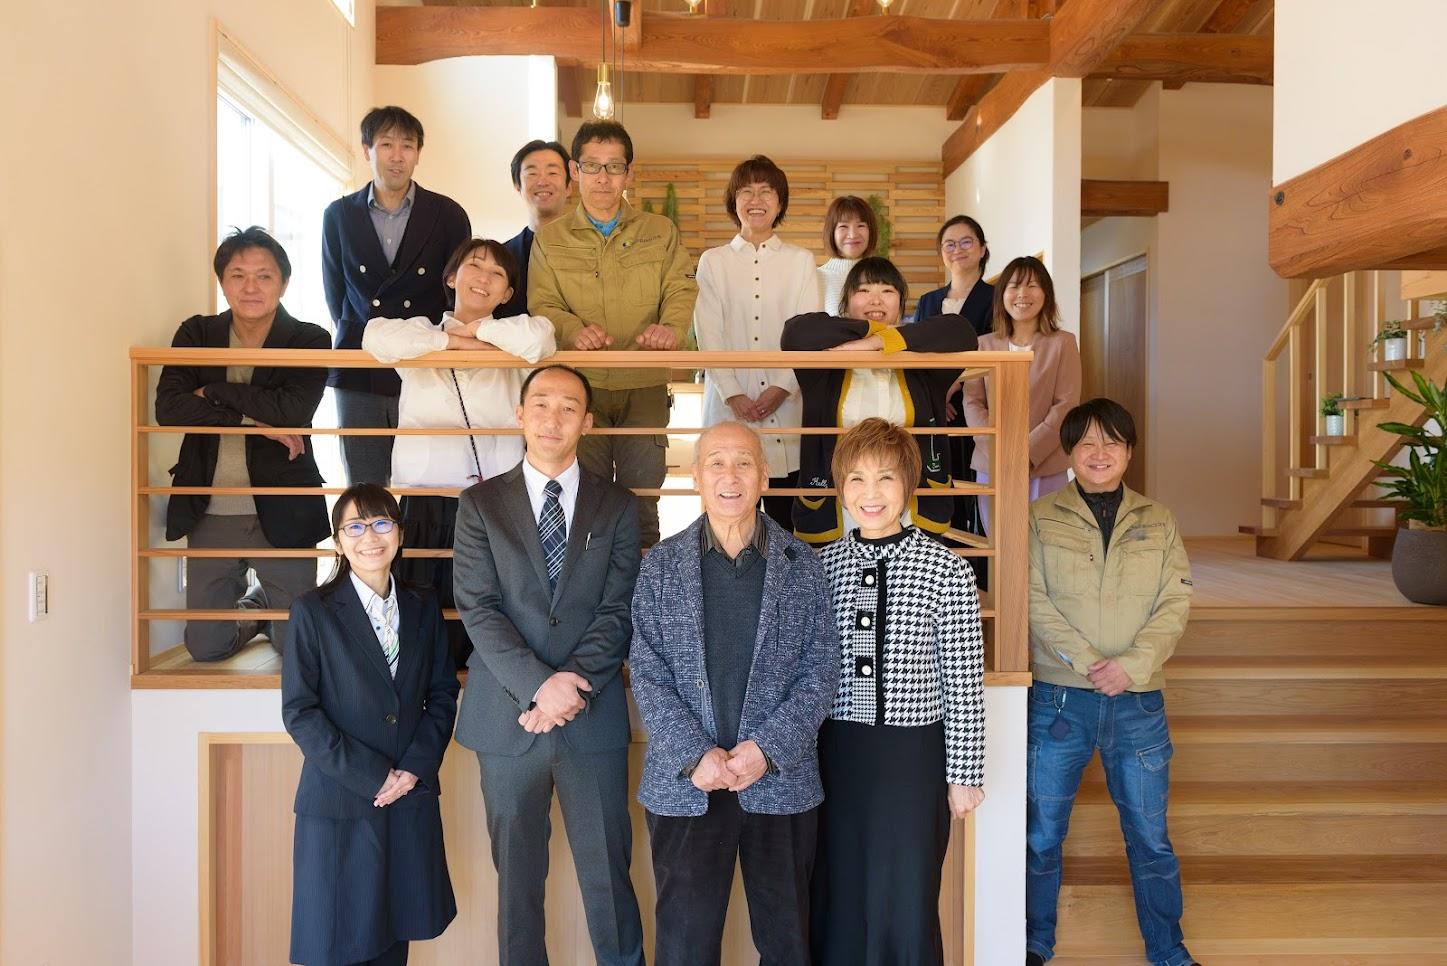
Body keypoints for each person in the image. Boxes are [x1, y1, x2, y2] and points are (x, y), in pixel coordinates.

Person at [452, 364, 645, 966]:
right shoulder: (480, 504)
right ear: (520, 414)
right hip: (508, 719)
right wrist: (540, 686)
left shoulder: (618, 505)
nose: (552, 418)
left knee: (610, 879)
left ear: (587, 422)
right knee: (516, 886)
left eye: (568, 407)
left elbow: (619, 608)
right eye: (540, 403)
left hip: (592, 718)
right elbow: (478, 608)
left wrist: (570, 690)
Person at [630, 421, 840, 966]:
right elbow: (647, 673)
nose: (730, 476)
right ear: (696, 477)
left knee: (787, 943)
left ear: (764, 476)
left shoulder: (803, 564)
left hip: (780, 780)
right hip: (687, 783)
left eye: (744, 463)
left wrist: (766, 750)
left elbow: (821, 672)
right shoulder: (660, 566)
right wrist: (695, 754)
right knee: (684, 948)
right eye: (716, 463)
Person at [1025, 398, 1197, 966]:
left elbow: (1175, 602)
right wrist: (1089, 661)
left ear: (1129, 452)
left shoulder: (1159, 519)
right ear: (1069, 452)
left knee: (1150, 838)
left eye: (1112, 442)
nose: (1100, 453)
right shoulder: (1039, 516)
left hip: (1138, 700)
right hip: (1058, 698)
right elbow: (1031, 598)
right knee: (1041, 835)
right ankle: (1033, 943)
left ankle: (1167, 950)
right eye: (1087, 443)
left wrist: (1132, 666)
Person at [813, 417, 986, 965]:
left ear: (908, 485)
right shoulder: (820, 567)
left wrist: (965, 775)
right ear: (841, 489)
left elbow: (963, 680)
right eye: (857, 479)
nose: (871, 494)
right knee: (839, 889)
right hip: (836, 755)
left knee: (908, 893)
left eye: (885, 478)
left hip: (914, 756)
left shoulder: (947, 569)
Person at [282, 483, 460, 966]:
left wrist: (413, 769)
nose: (370, 537)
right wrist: (374, 775)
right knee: (337, 946)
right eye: (355, 527)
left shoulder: (423, 605)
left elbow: (443, 694)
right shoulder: (312, 611)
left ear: (399, 532)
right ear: (339, 540)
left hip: (407, 798)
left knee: (393, 945)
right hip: (340, 803)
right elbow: (299, 711)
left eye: (381, 523)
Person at [363, 238, 556, 666]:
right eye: (474, 266)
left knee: (490, 613)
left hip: (496, 500)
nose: (484, 278)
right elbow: (374, 336)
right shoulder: (419, 331)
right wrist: (450, 338)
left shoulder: (516, 333)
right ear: (451, 278)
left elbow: (542, 340)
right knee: (423, 612)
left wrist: (476, 332)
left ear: (507, 293)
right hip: (425, 497)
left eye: (497, 273)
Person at [155, 227, 330, 661]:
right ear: (222, 282)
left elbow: (292, 411)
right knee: (205, 647)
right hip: (210, 507)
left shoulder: (309, 338)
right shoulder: (196, 333)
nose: (251, 286)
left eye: (264, 276)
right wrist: (253, 421)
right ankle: (256, 611)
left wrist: (213, 390)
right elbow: (170, 409)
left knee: (295, 648)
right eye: (238, 275)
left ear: (283, 283)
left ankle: (267, 608)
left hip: (283, 506)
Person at [528, 120, 697, 548]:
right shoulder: (550, 239)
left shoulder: (660, 232)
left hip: (645, 385)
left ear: (629, 173)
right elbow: (542, 304)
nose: (603, 177)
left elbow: (680, 288)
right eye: (592, 166)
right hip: (580, 389)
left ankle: (647, 591)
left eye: (614, 167)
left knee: (643, 502)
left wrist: (671, 330)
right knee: (587, 501)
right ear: (575, 171)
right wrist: (572, 331)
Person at [322, 105, 473, 486]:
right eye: (386, 144)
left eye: (407, 145)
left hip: (427, 362)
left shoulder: (448, 214)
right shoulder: (338, 215)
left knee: (431, 482)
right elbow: (336, 295)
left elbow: (457, 295)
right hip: (361, 363)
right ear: (366, 150)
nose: (397, 155)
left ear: (418, 153)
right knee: (366, 486)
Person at [780, 256, 978, 544]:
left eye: (887, 291)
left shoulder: (923, 364)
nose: (876, 299)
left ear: (900, 303)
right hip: (837, 507)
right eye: (863, 290)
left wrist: (883, 341)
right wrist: (869, 332)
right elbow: (795, 332)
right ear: (846, 302)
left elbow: (963, 332)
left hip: (912, 508)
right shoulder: (825, 363)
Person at [694, 155, 820, 530]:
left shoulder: (801, 261)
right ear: (733, 201)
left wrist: (782, 387)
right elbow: (708, 331)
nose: (756, 199)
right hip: (726, 405)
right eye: (746, 191)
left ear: (780, 202)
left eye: (766, 191)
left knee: (785, 521)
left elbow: (808, 332)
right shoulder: (713, 261)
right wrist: (732, 392)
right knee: (727, 515)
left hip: (787, 406)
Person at [962, 255, 1081, 536]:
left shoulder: (1063, 343)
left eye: (1032, 286)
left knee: (1044, 543)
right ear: (1002, 294)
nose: (1022, 294)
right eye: (1014, 286)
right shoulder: (983, 345)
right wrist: (1000, 450)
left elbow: (1066, 405)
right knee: (999, 541)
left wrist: (1026, 453)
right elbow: (972, 402)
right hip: (992, 461)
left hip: (1045, 463)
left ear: (1046, 294)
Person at [915, 216, 994, 537]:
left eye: (966, 242)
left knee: (971, 489)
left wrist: (952, 387)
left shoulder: (995, 297)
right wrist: (935, 394)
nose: (957, 249)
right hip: (931, 409)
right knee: (933, 485)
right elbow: (916, 352)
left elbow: (990, 346)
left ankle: (974, 559)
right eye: (949, 244)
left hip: (974, 406)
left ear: (982, 249)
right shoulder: (928, 301)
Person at [496, 139, 572, 319]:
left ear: (569, 187)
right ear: (518, 187)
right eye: (532, 173)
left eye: (552, 172)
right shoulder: (501, 257)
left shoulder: (591, 247)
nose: (542, 181)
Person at [817, 195, 877, 316]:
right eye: (843, 226)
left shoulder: (882, 276)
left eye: (861, 225)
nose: (853, 235)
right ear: (831, 232)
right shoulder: (817, 278)